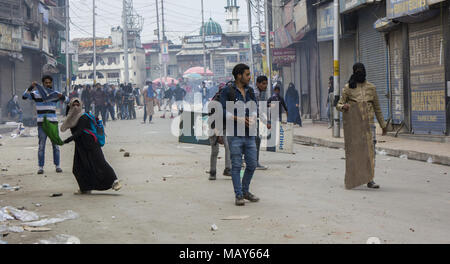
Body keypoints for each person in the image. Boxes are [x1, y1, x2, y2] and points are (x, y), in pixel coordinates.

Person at [336, 62, 387, 189]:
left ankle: (370, 179)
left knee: (371, 151)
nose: (360, 73)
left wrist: (383, 125)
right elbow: (339, 104)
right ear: (354, 72)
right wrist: (344, 107)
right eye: (357, 71)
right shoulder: (348, 88)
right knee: (356, 152)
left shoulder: (371, 88)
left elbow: (377, 108)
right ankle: (354, 177)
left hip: (370, 124)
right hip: (355, 125)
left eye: (361, 70)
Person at [61, 98, 122, 194]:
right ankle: (85, 188)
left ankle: (115, 181)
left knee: (100, 163)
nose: (76, 107)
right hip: (80, 146)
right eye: (73, 105)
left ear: (81, 106)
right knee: (78, 168)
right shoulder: (72, 118)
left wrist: (66, 141)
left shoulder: (83, 117)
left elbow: (79, 132)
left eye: (78, 105)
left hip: (91, 144)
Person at [219, 64, 259, 206]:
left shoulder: (250, 91)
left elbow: (254, 105)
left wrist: (253, 116)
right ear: (239, 75)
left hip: (249, 134)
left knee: (252, 164)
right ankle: (239, 195)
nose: (249, 77)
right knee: (236, 166)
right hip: (234, 133)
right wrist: (239, 119)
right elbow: (221, 111)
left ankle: (245, 190)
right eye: (247, 74)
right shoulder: (227, 91)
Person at [22, 75, 68, 174]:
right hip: (41, 124)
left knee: (55, 145)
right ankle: (41, 167)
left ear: (51, 83)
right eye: (46, 83)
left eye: (49, 82)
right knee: (41, 146)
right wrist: (31, 87)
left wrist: (62, 96)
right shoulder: (35, 93)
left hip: (53, 123)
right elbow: (24, 96)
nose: (47, 84)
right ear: (42, 83)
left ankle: (58, 166)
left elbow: (67, 101)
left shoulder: (55, 94)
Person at [208, 83, 232, 180]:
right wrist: (219, 135)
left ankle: (228, 168)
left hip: (224, 128)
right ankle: (212, 172)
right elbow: (213, 121)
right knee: (215, 151)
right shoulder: (214, 103)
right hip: (214, 128)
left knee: (228, 147)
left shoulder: (228, 101)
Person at [253, 76, 270, 170]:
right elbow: (257, 108)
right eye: (263, 83)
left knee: (255, 140)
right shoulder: (255, 93)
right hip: (249, 119)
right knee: (255, 140)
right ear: (257, 84)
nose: (265, 85)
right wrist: (266, 121)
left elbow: (262, 107)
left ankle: (253, 162)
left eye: (266, 83)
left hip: (254, 119)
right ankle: (254, 163)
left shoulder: (261, 93)